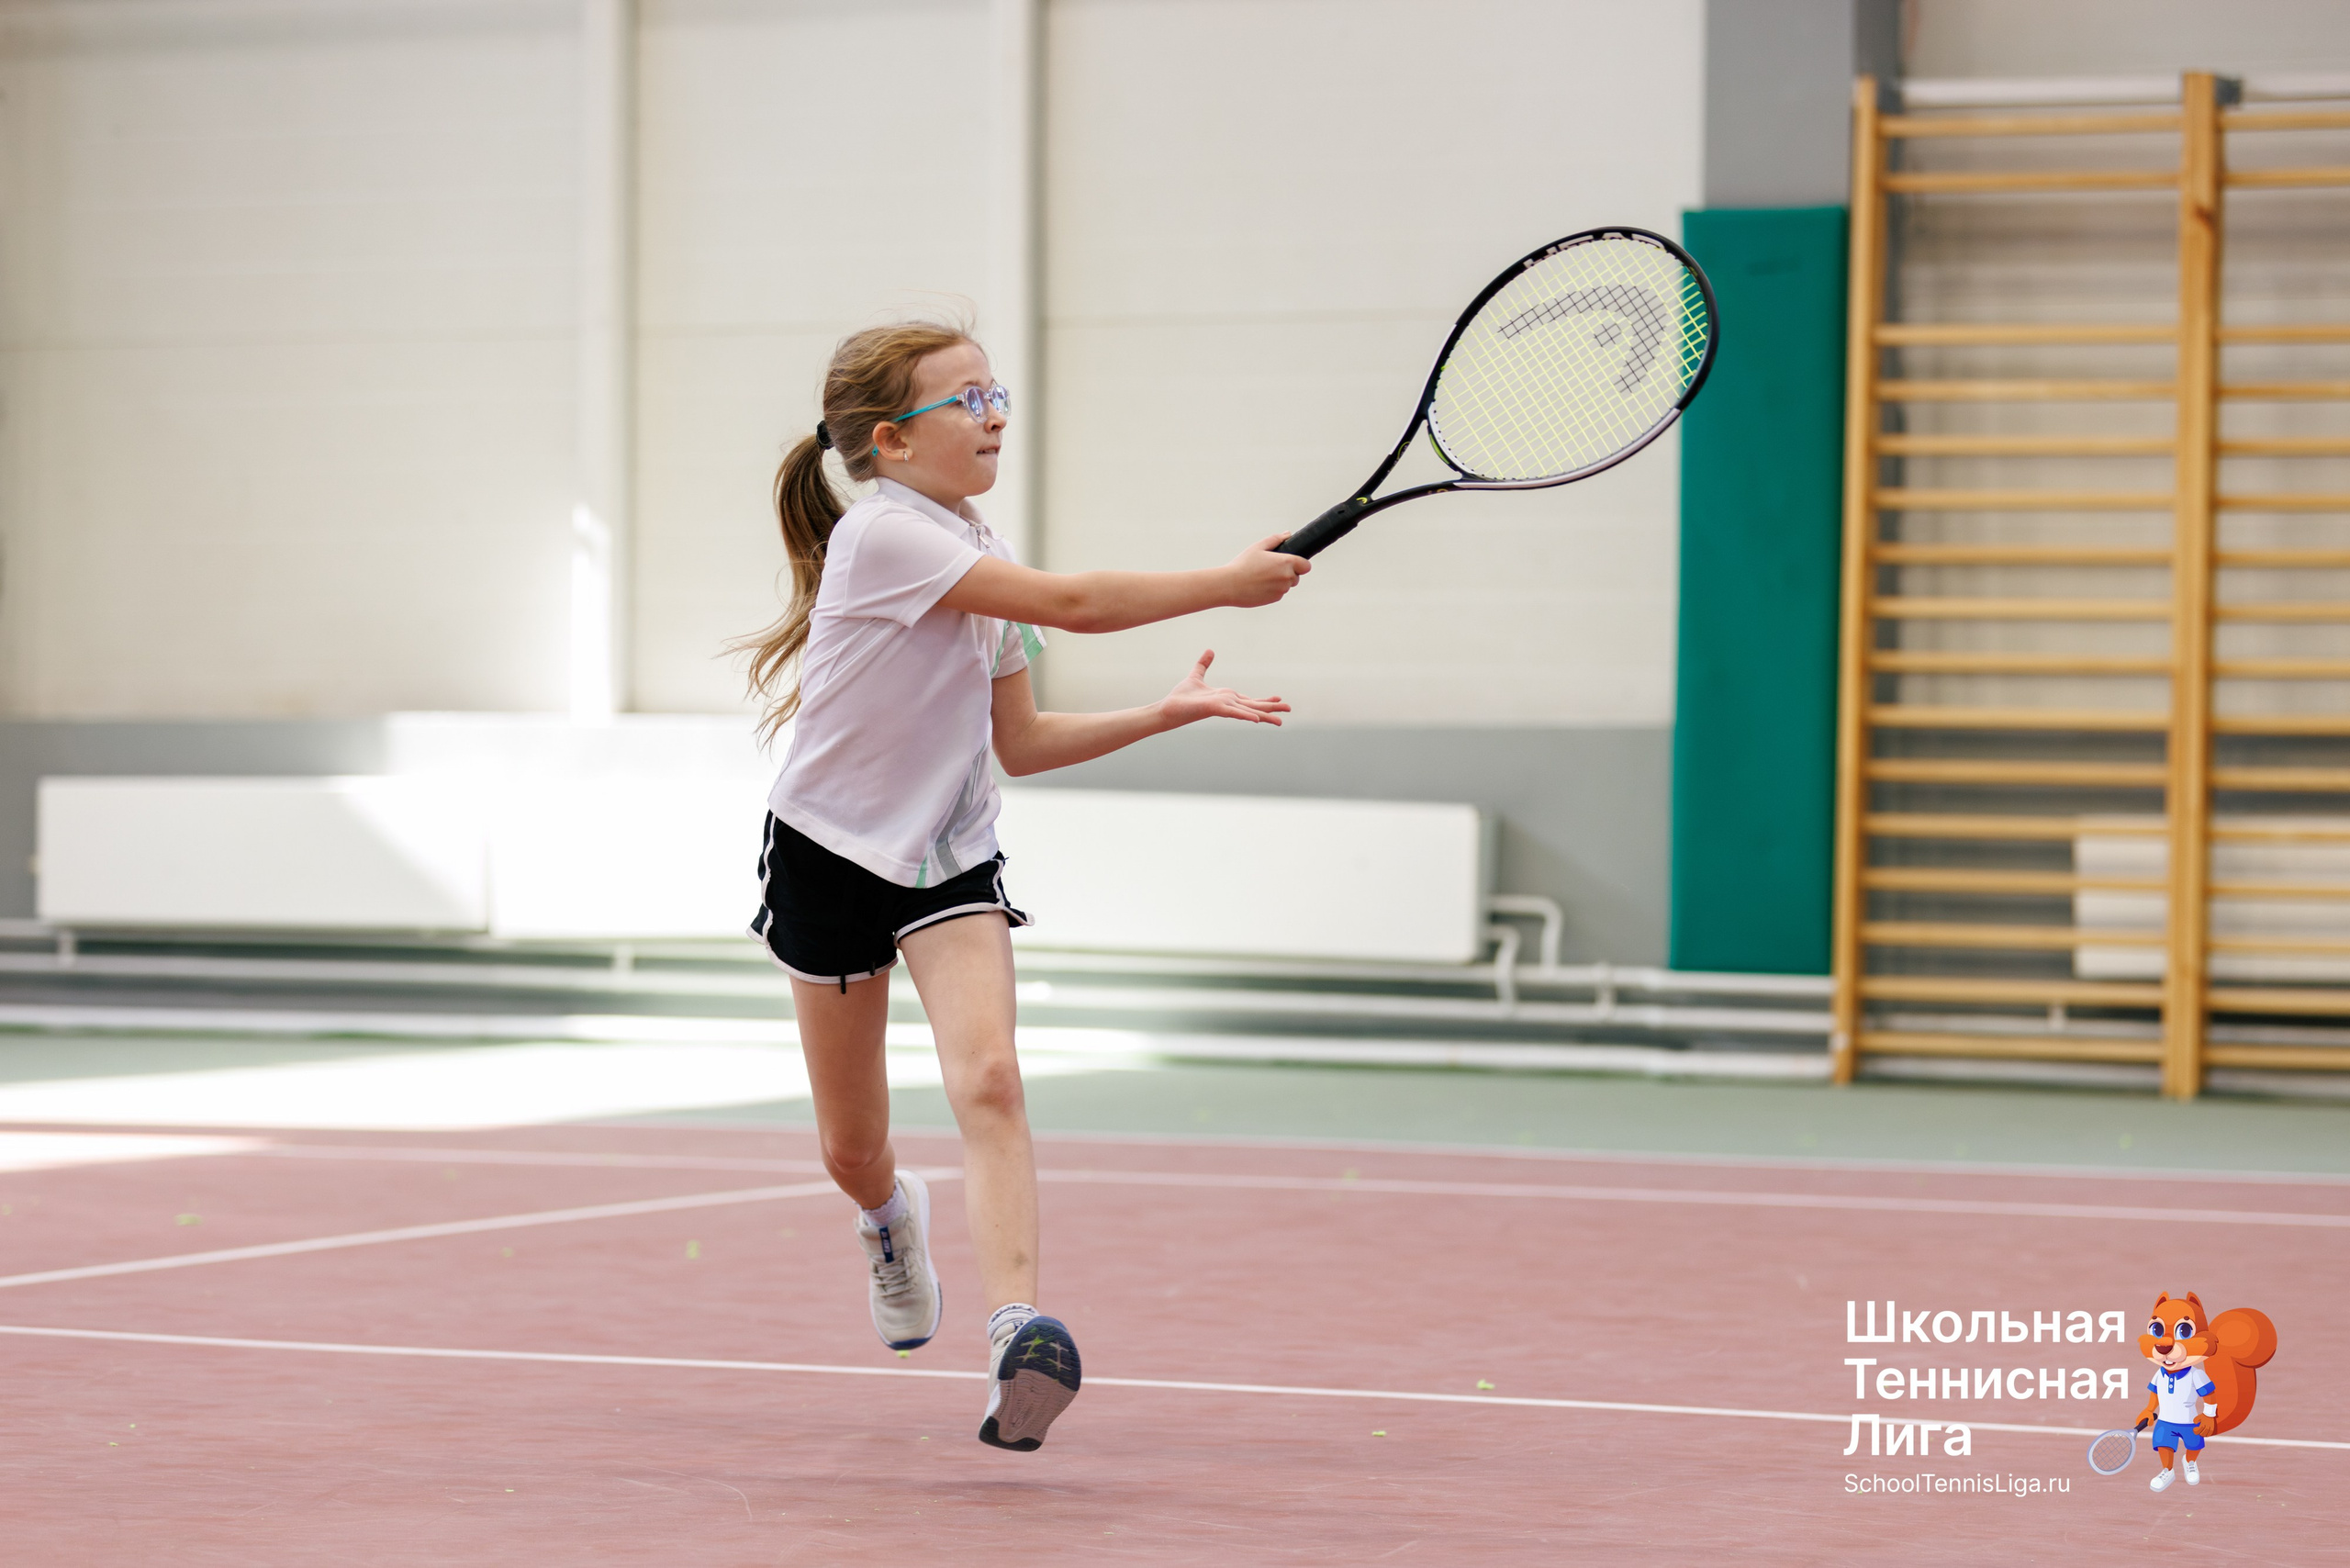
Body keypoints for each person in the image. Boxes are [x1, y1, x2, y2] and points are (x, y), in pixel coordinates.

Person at [736, 319, 1306, 1450]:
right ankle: (888, 1220)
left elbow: (1023, 743)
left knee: (991, 1077)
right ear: (892, 442)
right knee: (851, 1149)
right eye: (968, 398)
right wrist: (1227, 585)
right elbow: (1078, 603)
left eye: (995, 391)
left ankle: (1016, 1334)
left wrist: (1165, 711)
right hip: (829, 853)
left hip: (948, 855)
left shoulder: (977, 555)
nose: (995, 413)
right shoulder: (883, 537)